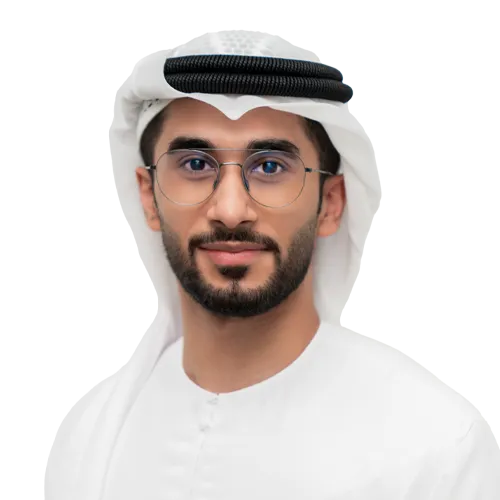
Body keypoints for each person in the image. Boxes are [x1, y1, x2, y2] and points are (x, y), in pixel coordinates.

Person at [42, 25, 500, 500]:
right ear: (148, 197)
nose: (230, 210)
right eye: (196, 164)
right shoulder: (91, 440)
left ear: (330, 204)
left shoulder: (435, 452)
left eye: (269, 167)